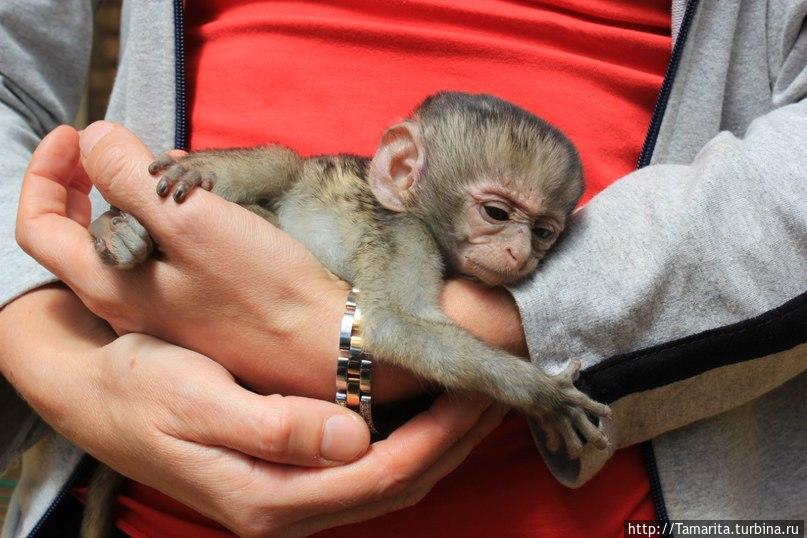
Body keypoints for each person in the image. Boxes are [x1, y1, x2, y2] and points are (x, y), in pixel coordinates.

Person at [2, 0, 806, 536]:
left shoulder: (436, 243)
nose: (521, 257)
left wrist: (538, 324)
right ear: (402, 171)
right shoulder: (401, 228)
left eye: (545, 233)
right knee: (275, 165)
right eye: (497, 217)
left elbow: (385, 330)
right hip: (144, 472)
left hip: (609, 504)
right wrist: (49, 346)